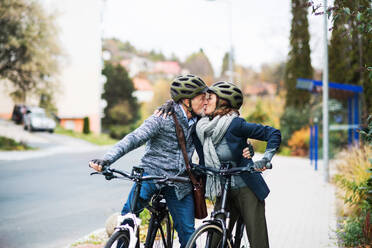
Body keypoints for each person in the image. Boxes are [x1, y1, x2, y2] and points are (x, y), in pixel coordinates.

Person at [89, 74, 209, 248]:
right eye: (201, 98)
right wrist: (107, 159)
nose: (205, 102)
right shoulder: (162, 117)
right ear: (186, 100)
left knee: (188, 235)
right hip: (151, 174)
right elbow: (134, 138)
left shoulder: (200, 120)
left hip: (179, 181)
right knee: (128, 219)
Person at [196, 81, 281, 248]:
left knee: (258, 242)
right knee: (214, 239)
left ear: (223, 102)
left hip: (246, 188)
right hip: (223, 189)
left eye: (210, 98)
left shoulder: (235, 124)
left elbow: (273, 133)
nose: (205, 102)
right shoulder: (202, 127)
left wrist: (265, 158)